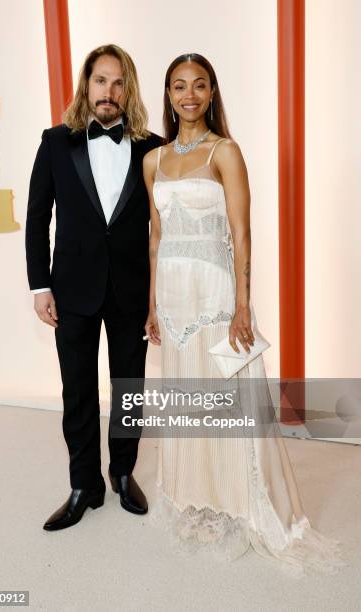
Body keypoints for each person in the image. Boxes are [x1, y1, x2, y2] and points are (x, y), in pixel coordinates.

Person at [142, 53, 345, 575]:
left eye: (199, 86)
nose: (189, 95)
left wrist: (242, 305)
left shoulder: (224, 152)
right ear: (168, 96)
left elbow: (241, 233)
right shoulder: (154, 161)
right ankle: (198, 496)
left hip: (214, 297)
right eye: (180, 86)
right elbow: (155, 237)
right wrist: (151, 304)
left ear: (212, 93)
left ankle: (246, 503)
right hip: (173, 296)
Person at [25, 44, 162, 531]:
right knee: (77, 391)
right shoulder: (55, 142)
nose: (109, 91)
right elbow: (38, 217)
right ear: (87, 86)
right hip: (72, 290)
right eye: (101, 80)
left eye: (119, 82)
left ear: (130, 90)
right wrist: (39, 285)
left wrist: (158, 296)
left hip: (131, 291)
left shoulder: (152, 147)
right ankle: (84, 484)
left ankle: (123, 473)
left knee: (129, 388)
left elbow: (165, 228)